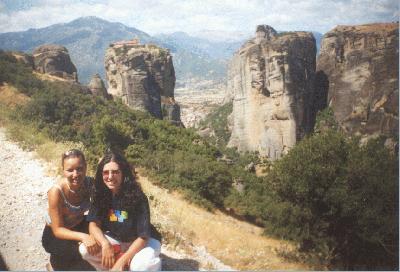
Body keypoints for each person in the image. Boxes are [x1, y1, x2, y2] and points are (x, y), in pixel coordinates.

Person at [79, 150, 162, 271]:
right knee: (85, 250)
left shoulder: (138, 197)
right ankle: (109, 268)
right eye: (106, 172)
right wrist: (105, 244)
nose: (110, 177)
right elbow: (93, 224)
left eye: (115, 172)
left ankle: (143, 265)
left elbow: (143, 236)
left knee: (140, 266)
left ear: (124, 173)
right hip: (118, 238)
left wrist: (123, 260)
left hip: (144, 241)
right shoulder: (100, 194)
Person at [42, 149, 98, 270]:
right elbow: (57, 230)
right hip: (56, 234)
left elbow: (101, 208)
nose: (75, 174)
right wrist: (84, 237)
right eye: (70, 170)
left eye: (79, 168)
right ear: (63, 170)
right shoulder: (56, 192)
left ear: (86, 167)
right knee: (76, 254)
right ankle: (53, 265)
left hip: (78, 224)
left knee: (95, 246)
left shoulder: (90, 183)